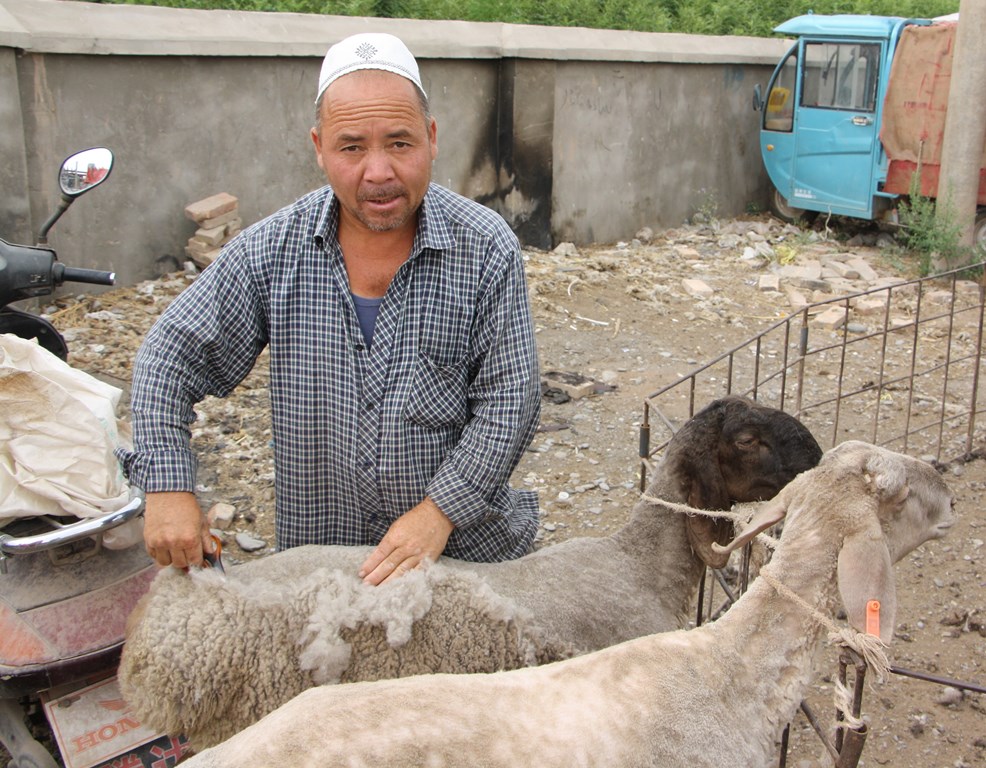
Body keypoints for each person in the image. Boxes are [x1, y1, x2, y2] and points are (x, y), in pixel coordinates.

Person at [123, 32, 541, 585]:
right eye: (351, 147)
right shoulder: (270, 252)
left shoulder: (485, 246)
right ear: (319, 147)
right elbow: (167, 360)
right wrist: (168, 487)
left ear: (432, 138)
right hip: (325, 565)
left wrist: (438, 514)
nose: (378, 172)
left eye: (399, 143)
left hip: (463, 559)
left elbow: (511, 398)